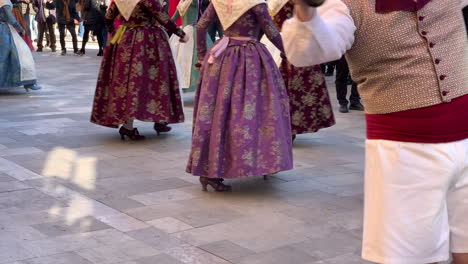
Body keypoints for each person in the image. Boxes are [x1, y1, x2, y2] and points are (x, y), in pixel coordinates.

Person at [282, 0, 468, 263]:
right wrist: (305, 10)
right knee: (414, 256)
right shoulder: (348, 5)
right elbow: (308, 50)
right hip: (404, 153)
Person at [186, 0, 293, 192]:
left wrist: (202, 57)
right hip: (250, 60)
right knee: (259, 110)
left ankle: (210, 171)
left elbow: (201, 26)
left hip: (221, 57)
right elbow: (271, 32)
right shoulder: (255, 3)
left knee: (218, 113)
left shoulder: (217, 1)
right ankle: (262, 160)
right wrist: (290, 52)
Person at [91, 0, 188, 140]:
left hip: (125, 40)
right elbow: (162, 17)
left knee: (127, 82)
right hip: (148, 42)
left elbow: (108, 17)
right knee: (156, 80)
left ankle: (132, 125)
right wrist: (181, 34)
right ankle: (157, 120)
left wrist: (114, 32)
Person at [269, 0, 335, 141]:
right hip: (294, 46)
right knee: (291, 90)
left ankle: (288, 128)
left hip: (287, 45)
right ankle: (289, 128)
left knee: (288, 90)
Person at [170, 0, 212, 92]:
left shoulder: (192, 1)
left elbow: (172, 19)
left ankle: (198, 86)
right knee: (182, 58)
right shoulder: (181, 3)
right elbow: (173, 19)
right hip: (184, 31)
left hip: (192, 31)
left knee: (193, 57)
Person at [0, 0, 41, 91]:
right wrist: (21, 28)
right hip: (3, 31)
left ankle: (28, 82)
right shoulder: (4, 2)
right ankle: (28, 82)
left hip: (4, 29)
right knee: (21, 54)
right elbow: (11, 19)